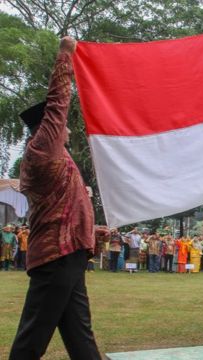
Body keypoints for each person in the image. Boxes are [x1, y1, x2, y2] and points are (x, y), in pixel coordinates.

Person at [9, 37, 103, 360]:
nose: (68, 131)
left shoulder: (57, 157)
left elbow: (68, 204)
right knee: (31, 339)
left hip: (69, 254)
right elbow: (58, 103)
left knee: (81, 339)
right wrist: (65, 56)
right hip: (56, 257)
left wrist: (91, 232)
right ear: (47, 128)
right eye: (61, 127)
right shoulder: (41, 149)